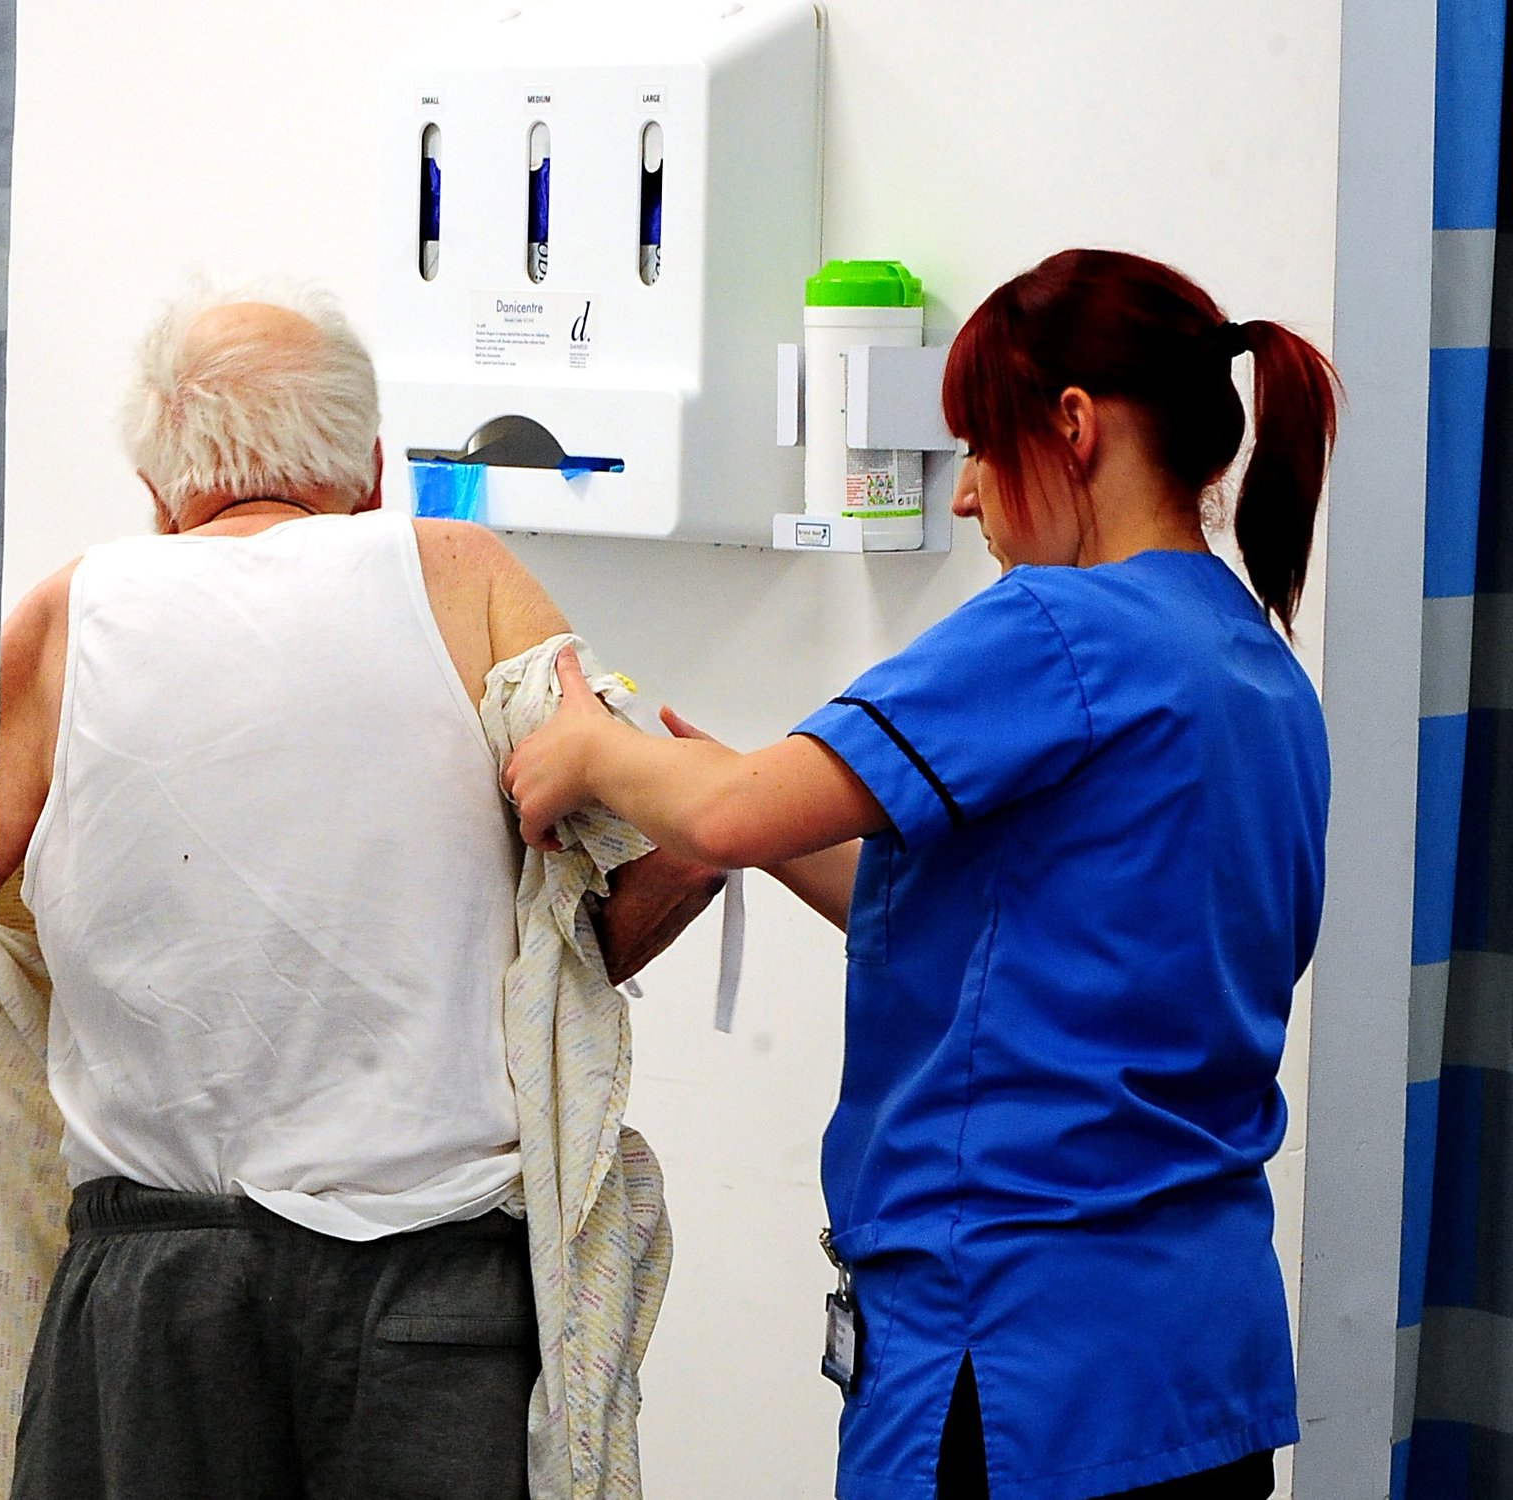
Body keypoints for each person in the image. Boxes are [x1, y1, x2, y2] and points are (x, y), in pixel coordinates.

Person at [504, 248, 1336, 1499]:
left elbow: (728, 814)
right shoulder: (1257, 673)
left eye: (979, 454)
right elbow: (998, 926)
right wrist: (744, 809)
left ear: (1071, 426)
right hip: (1192, 1374)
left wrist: (587, 750)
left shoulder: (1058, 626)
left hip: (1015, 1370)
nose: (962, 504)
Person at [0, 285, 719, 1499]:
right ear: (374, 468)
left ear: (159, 494)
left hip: (152, 1293)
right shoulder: (453, 568)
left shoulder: (75, 610)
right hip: (429, 1295)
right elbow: (675, 848)